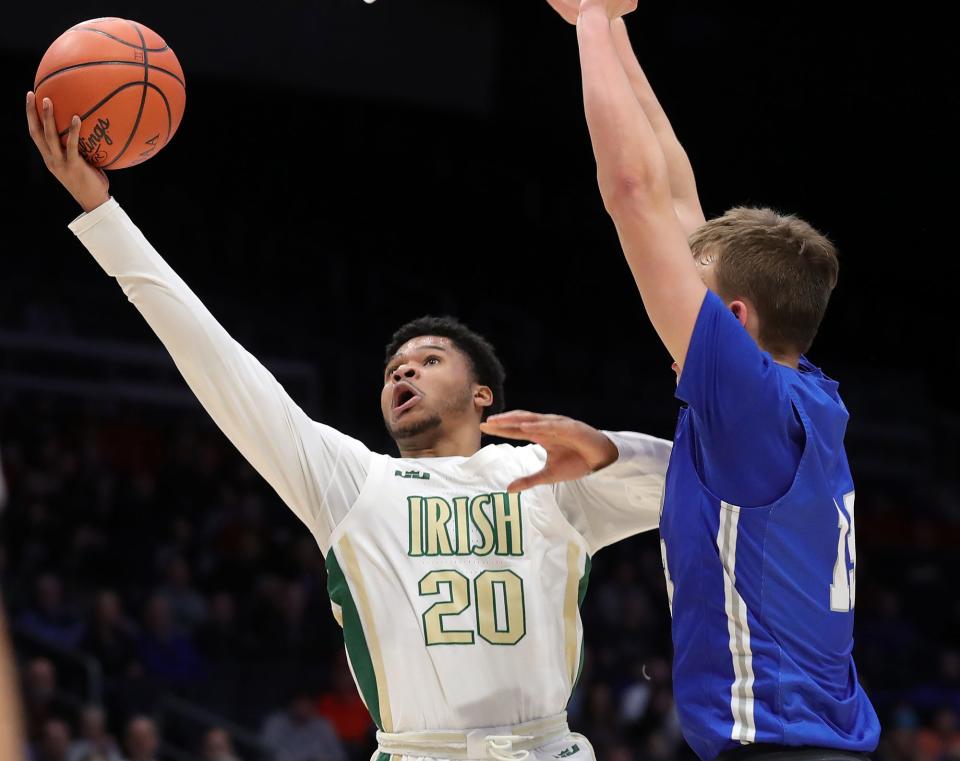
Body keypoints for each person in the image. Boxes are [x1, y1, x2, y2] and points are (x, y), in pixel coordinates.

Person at [26, 91, 672, 761]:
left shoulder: (550, 471)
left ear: (483, 394)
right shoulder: (354, 481)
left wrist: (609, 451)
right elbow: (216, 360)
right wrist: (102, 215)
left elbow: (718, 477)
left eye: (428, 360)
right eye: (393, 368)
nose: (403, 374)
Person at [544, 1, 881, 759]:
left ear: (733, 317)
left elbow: (632, 193)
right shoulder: (805, 392)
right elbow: (672, 201)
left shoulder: (752, 403)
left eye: (691, 293)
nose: (674, 306)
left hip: (777, 746)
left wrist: (592, 21)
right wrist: (610, 21)